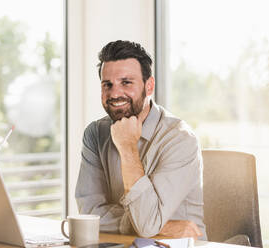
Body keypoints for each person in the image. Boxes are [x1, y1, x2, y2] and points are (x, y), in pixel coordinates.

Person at [75, 40, 207, 240]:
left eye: (126, 82)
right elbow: (89, 213)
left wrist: (127, 147)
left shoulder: (180, 138)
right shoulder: (95, 133)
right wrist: (154, 226)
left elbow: (146, 225)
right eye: (107, 85)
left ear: (149, 85)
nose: (115, 93)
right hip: (125, 244)